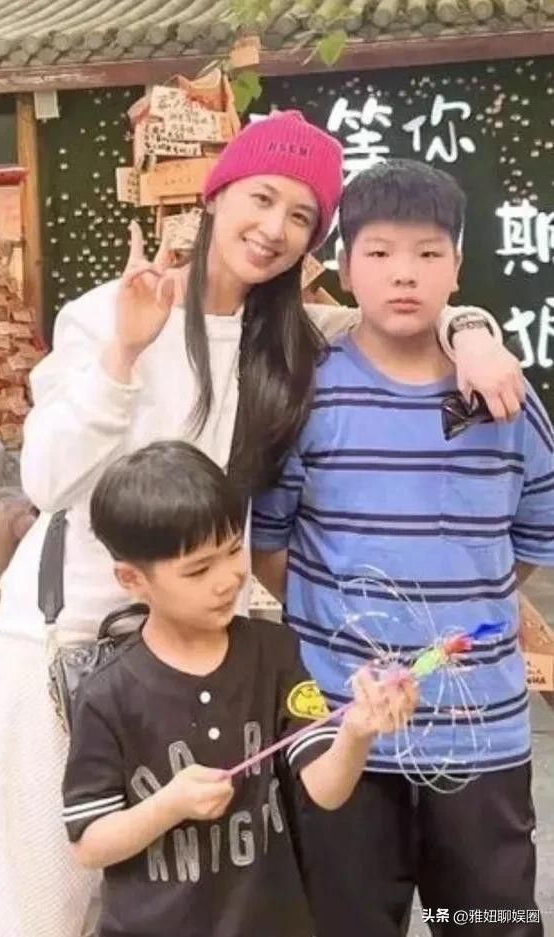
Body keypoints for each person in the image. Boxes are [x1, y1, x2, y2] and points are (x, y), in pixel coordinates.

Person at [0, 111, 524, 937]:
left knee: (183, 892)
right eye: (261, 198)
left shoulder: (290, 337)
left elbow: (402, 313)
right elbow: (47, 478)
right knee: (47, 903)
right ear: (215, 195)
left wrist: (475, 330)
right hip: (71, 635)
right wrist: (124, 354)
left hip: (203, 645)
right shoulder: (111, 311)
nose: (275, 228)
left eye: (302, 215)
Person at [251, 159, 554, 937]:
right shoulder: (306, 394)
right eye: (380, 252)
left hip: (479, 740)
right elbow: (270, 548)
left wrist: (459, 587)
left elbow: (531, 540)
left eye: (427, 252)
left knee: (486, 921)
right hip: (340, 736)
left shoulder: (505, 399)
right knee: (342, 924)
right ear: (345, 267)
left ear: (458, 265)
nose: (404, 273)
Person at [63, 439, 416, 937]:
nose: (228, 578)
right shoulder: (107, 693)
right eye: (198, 569)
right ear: (132, 579)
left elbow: (325, 792)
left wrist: (356, 733)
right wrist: (168, 806)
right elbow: (88, 843)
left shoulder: (274, 652)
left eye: (234, 549)